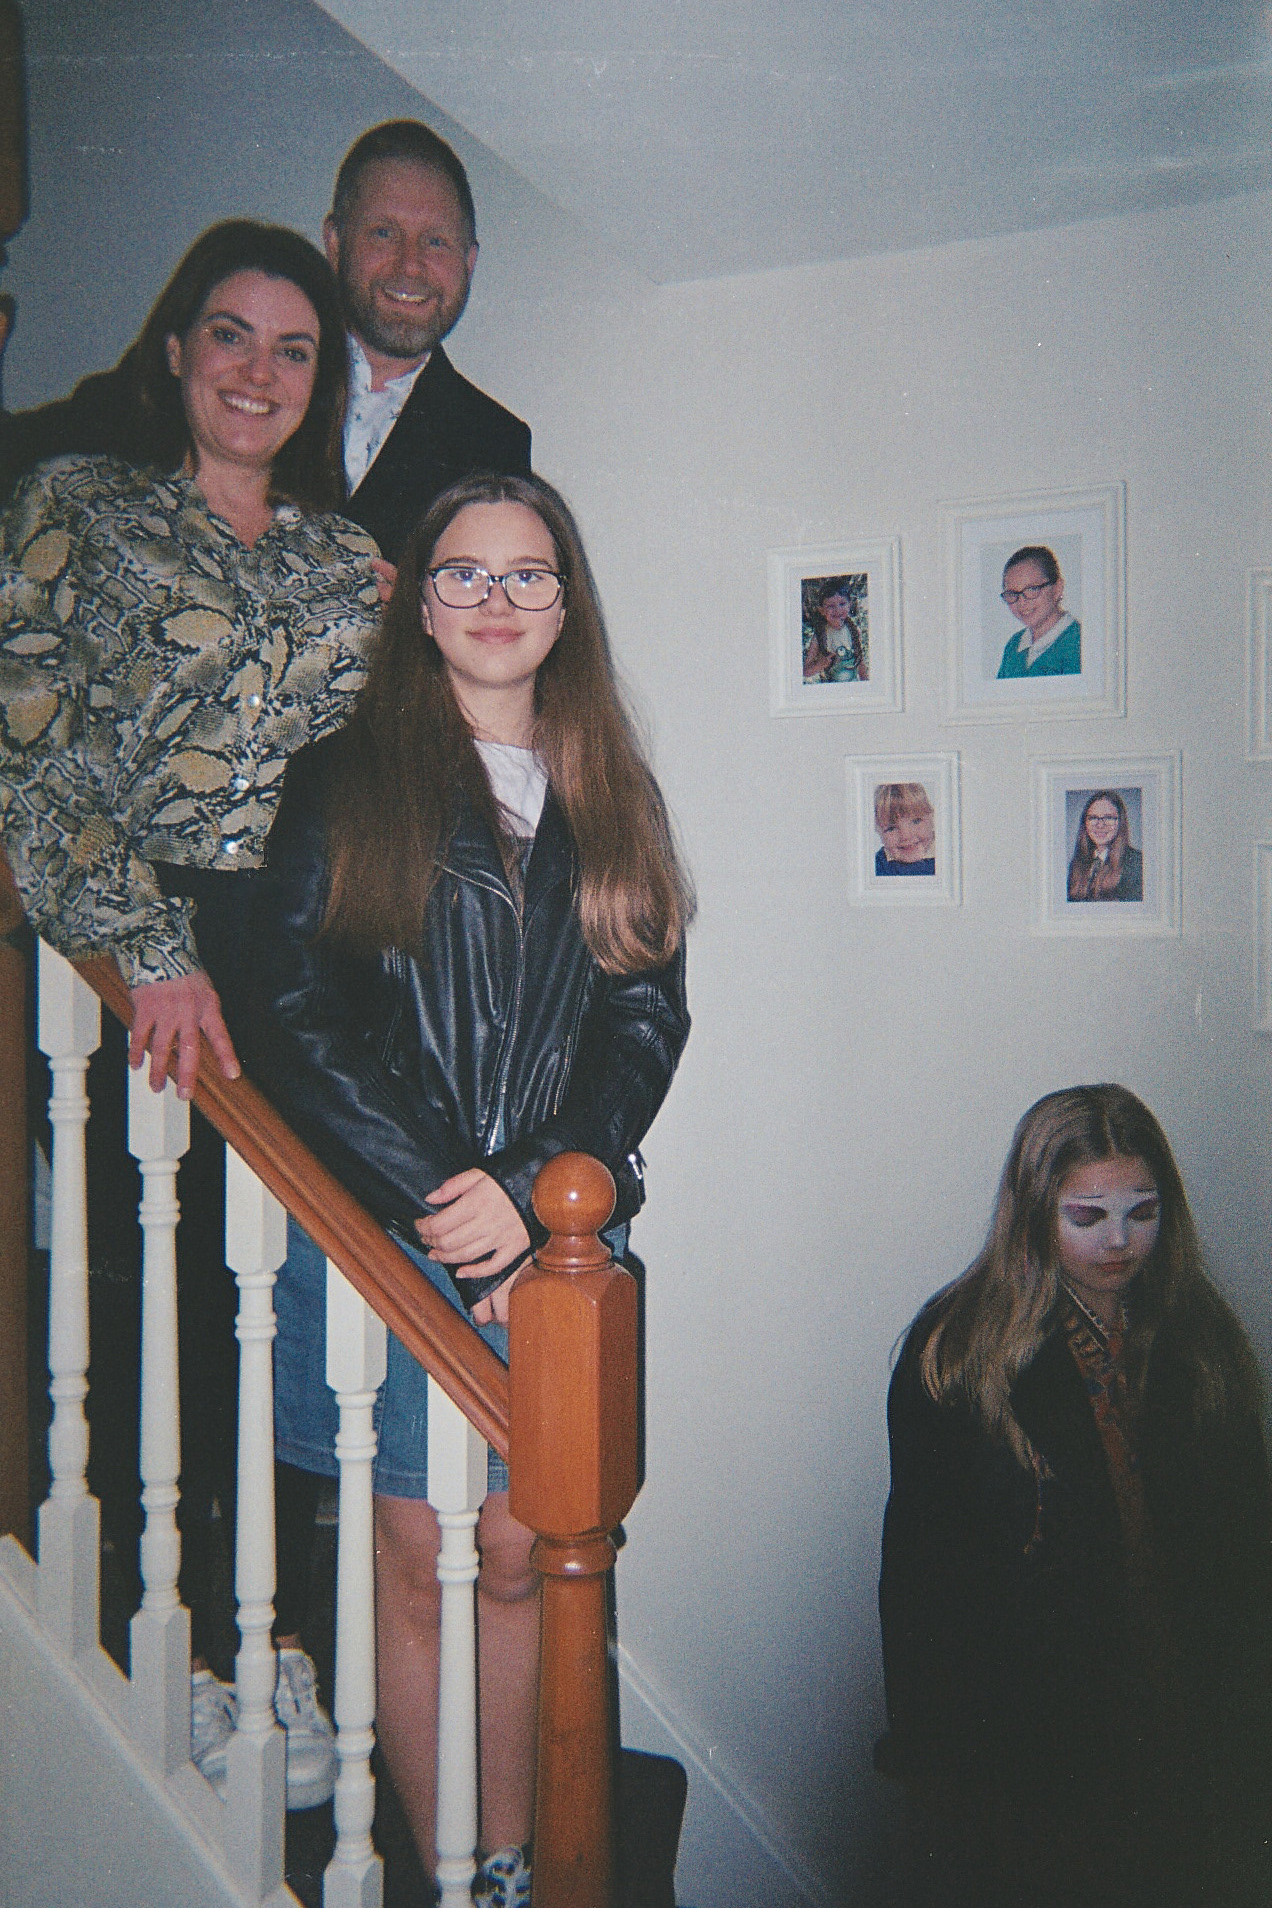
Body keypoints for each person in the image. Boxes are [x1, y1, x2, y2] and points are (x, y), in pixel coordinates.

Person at [249, 471, 693, 1902]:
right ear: (421, 605)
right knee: (409, 1549)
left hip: (552, 1232)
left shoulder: (610, 787)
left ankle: (509, 1857)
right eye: (465, 573)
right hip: (391, 1225)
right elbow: (292, 1011)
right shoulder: (345, 777)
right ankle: (455, 1874)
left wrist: (531, 1189)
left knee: (516, 1549)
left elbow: (646, 1017)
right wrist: (455, 1198)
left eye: (528, 575)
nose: (497, 601)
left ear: (567, 606)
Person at [0, 219, 383, 1805]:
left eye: (295, 350)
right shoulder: (76, 508)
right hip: (133, 946)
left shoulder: (344, 562)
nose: (258, 372)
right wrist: (149, 947)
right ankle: (189, 1642)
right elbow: (33, 737)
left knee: (281, 1299)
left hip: (296, 951)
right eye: (231, 334)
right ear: (174, 348)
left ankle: (270, 1625)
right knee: (154, 1283)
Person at [877, 1085, 1272, 1907]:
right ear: (1032, 1213)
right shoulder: (959, 1352)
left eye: (1143, 1212)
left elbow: (1246, 1548)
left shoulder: (1200, 1340)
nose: (1120, 1242)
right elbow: (920, 1578)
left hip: (1187, 1720)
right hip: (1030, 1749)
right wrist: (931, 1762)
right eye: (1087, 1216)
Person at [0, 120, 531, 559]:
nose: (410, 264)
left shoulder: (495, 443)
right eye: (383, 232)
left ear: (469, 261)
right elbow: (24, 454)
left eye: (436, 241)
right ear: (335, 241)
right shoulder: (217, 366)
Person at [995, 544, 1080, 678]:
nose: (1021, 602)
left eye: (1032, 589)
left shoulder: (1079, 643)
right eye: (1012, 593)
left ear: (1057, 589)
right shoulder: (1014, 645)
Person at [1067, 787, 1143, 901]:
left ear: (1120, 822)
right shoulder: (1076, 864)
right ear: (1085, 823)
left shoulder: (1136, 863)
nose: (1100, 825)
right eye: (1093, 818)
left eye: (1108, 818)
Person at [802, 576, 863, 682]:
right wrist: (820, 664)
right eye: (831, 606)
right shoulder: (820, 635)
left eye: (842, 604)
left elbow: (860, 663)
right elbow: (805, 672)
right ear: (821, 610)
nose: (837, 610)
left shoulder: (853, 631)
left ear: (849, 605)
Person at [873, 783, 935, 877]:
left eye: (916, 821)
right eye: (891, 828)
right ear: (879, 831)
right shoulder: (878, 865)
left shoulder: (949, 854)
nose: (906, 836)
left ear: (932, 818)